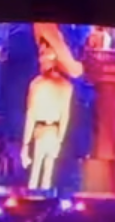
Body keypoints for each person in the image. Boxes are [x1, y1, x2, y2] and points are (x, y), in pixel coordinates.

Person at [20, 24, 86, 195]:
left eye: (44, 53)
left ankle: (41, 199)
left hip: (51, 133)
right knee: (36, 175)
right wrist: (25, 145)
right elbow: (31, 115)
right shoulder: (37, 84)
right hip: (42, 132)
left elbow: (64, 116)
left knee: (46, 175)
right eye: (40, 54)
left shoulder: (64, 86)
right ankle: (34, 199)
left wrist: (58, 141)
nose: (41, 58)